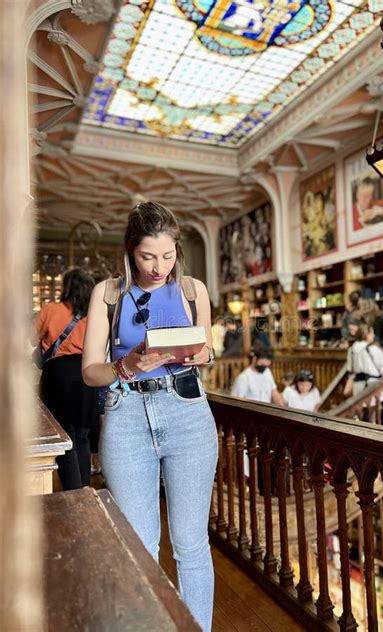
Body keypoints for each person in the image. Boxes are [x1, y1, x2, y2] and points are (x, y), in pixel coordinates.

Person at [82, 202, 217, 632]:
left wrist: (201, 353)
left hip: (188, 412)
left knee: (191, 545)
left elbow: (210, 349)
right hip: (126, 418)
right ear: (130, 252)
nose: (159, 267)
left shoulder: (194, 291)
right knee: (138, 546)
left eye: (167, 254)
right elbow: (90, 371)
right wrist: (127, 366)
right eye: (147, 256)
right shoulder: (108, 293)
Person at [35, 268, 96, 490]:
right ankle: (85, 491)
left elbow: (30, 338)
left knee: (64, 435)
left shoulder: (51, 310)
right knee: (82, 435)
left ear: (67, 287)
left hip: (58, 376)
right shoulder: (94, 316)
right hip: (87, 375)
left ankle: (73, 491)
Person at [346, 324, 383, 397]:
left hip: (357, 386)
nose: (373, 335)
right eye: (372, 333)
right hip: (372, 386)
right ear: (367, 335)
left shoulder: (351, 350)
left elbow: (350, 368)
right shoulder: (372, 348)